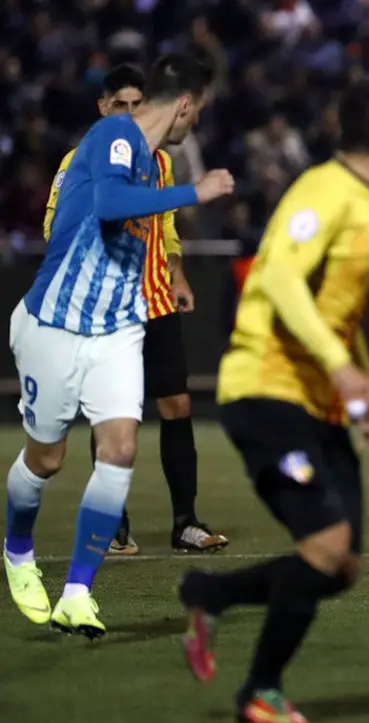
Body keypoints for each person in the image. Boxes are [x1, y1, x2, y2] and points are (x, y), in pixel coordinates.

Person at [176, 78, 369, 723]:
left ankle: (211, 594)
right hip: (266, 391)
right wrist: (342, 370)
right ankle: (260, 690)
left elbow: (334, 310)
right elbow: (277, 277)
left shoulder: (356, 199)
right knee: (328, 544)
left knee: (343, 567)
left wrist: (357, 379)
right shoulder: (329, 193)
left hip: (317, 405)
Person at [4, 53, 230, 638]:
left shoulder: (153, 162)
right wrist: (194, 192)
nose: (196, 124)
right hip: (55, 321)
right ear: (183, 104)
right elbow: (106, 205)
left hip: (119, 327)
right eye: (197, 112)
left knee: (121, 449)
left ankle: (78, 591)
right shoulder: (112, 135)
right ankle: (17, 547)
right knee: (46, 460)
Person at [43, 63, 228, 557]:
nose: (127, 114)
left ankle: (185, 523)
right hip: (107, 308)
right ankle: (114, 527)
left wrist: (177, 271)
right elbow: (52, 229)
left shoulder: (159, 163)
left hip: (156, 301)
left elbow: (165, 225)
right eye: (118, 105)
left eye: (135, 106)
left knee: (178, 406)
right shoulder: (79, 161)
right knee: (113, 416)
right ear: (102, 108)